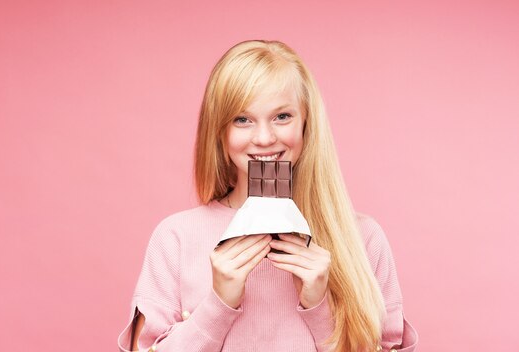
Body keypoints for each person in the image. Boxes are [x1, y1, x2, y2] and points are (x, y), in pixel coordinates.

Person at [117, 40, 418, 352]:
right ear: (219, 131)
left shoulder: (363, 238)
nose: (263, 138)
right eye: (242, 119)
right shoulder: (174, 238)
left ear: (307, 124)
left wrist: (320, 307)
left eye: (282, 116)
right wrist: (217, 306)